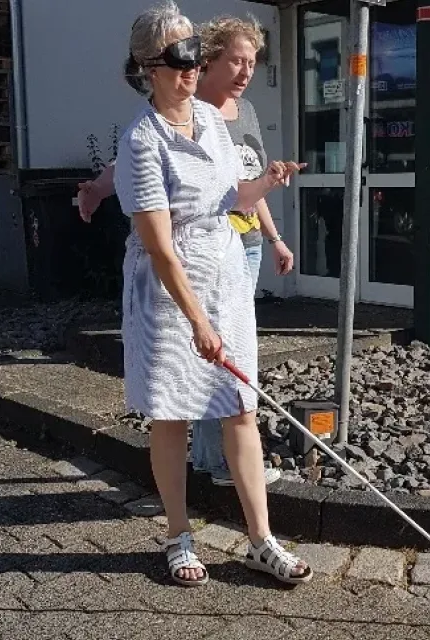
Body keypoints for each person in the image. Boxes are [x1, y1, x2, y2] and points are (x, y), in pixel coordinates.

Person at [113, 1, 311, 587]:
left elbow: (230, 200)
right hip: (170, 292)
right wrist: (197, 320)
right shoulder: (140, 141)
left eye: (195, 54)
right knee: (173, 415)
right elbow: (159, 246)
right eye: (179, 58)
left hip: (224, 274)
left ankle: (261, 539)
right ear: (149, 65)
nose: (192, 67)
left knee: (241, 407)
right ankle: (178, 534)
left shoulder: (210, 120)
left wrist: (265, 183)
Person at [77, 14, 289, 489]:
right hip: (179, 273)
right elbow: (152, 220)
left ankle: (258, 528)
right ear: (150, 66)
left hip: (234, 253)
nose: (245, 71)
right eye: (236, 60)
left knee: (236, 393)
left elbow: (239, 189)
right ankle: (192, 503)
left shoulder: (224, 117)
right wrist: (94, 189)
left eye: (253, 62)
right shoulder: (147, 135)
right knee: (175, 401)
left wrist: (272, 232)